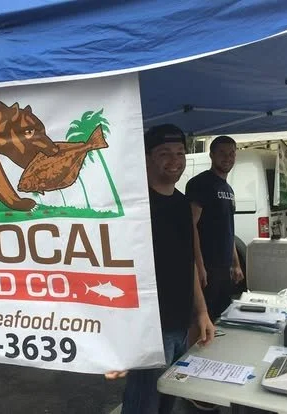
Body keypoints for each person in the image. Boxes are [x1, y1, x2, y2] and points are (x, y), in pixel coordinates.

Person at [106, 124, 215, 414]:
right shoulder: (133, 207)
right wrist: (118, 338)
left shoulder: (181, 203)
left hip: (180, 326)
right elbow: (115, 270)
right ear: (146, 158)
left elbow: (187, 262)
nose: (175, 160)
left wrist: (201, 312)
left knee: (169, 402)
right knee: (144, 404)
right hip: (148, 330)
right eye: (164, 153)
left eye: (180, 153)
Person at [185, 135, 244, 324]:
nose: (227, 157)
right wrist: (199, 266)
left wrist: (235, 264)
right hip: (207, 267)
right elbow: (191, 225)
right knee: (202, 319)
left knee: (221, 318)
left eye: (232, 153)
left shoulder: (229, 189)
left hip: (224, 268)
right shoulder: (200, 184)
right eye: (222, 153)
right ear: (211, 155)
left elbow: (229, 228)